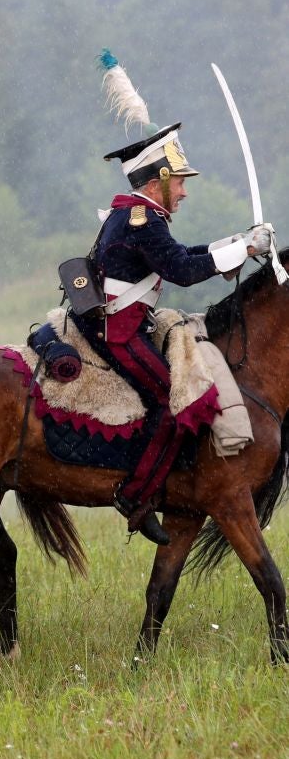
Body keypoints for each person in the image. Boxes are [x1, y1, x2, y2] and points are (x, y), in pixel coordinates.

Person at [79, 123, 272, 544]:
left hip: (128, 325)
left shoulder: (139, 214)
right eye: (181, 183)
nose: (184, 192)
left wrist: (238, 242)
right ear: (159, 181)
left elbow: (181, 254)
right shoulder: (142, 218)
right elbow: (182, 271)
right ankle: (135, 496)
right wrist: (246, 250)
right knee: (176, 402)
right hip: (121, 333)